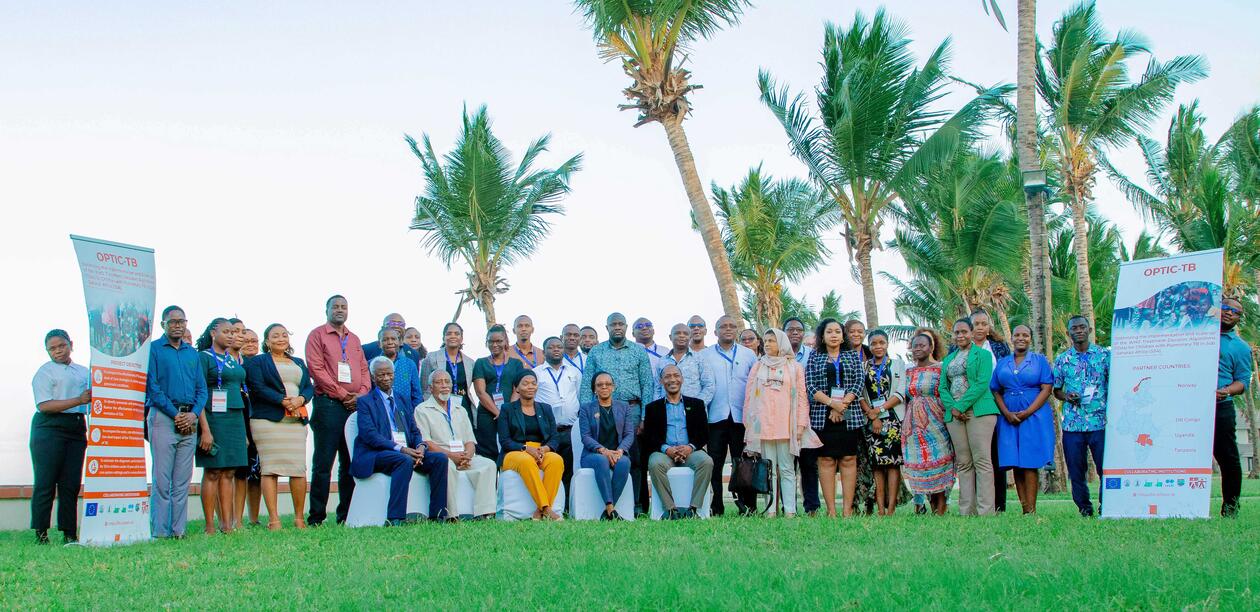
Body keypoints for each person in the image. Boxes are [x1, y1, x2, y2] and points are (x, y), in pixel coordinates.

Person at [352, 357, 449, 524]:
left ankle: (438, 515)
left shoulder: (402, 399)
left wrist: (420, 446)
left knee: (439, 459)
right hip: (377, 454)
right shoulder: (365, 402)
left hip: (408, 452)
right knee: (403, 460)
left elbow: (414, 430)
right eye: (381, 375)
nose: (386, 378)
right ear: (374, 377)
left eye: (389, 374)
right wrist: (401, 449)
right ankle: (396, 518)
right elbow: (370, 436)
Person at [579, 313, 655, 514]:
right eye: (614, 324)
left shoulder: (638, 351)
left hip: (632, 410)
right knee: (602, 451)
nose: (617, 327)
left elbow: (647, 383)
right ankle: (609, 504)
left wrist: (645, 416)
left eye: (621, 324)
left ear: (626, 326)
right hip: (600, 410)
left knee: (636, 459)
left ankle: (637, 504)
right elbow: (587, 384)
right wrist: (587, 411)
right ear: (607, 328)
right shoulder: (596, 352)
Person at [304, 295, 370, 526]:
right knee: (323, 463)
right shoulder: (317, 335)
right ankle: (317, 517)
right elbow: (316, 369)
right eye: (335, 307)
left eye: (344, 307)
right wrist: (343, 395)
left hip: (353, 408)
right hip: (329, 405)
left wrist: (360, 395)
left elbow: (364, 370)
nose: (340, 310)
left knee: (349, 462)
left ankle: (346, 515)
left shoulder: (354, 339)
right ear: (327, 310)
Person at [146, 305, 207, 539]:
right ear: (163, 324)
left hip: (189, 418)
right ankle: (160, 531)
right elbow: (153, 387)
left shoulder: (191, 353)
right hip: (163, 417)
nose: (178, 325)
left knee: (182, 480)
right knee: (162, 480)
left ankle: (178, 530)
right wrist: (175, 414)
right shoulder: (154, 350)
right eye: (173, 321)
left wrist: (193, 414)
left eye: (182, 321)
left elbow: (201, 389)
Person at [244, 324, 313, 530]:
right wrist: (282, 401)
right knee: (270, 469)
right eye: (275, 336)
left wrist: (300, 399)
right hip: (268, 421)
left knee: (298, 469)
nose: (281, 338)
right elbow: (257, 386)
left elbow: (308, 387)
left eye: (284, 335)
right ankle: (274, 520)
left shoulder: (298, 362)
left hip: (295, 421)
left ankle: (299, 518)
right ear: (267, 341)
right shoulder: (257, 362)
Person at [741, 328, 816, 517]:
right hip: (763, 426)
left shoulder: (794, 367)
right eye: (765, 341)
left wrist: (800, 425)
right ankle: (771, 510)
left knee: (787, 469)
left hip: (786, 425)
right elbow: (749, 396)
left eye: (771, 341)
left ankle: (790, 510)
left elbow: (801, 397)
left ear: (781, 343)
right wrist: (748, 424)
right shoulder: (758, 366)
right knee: (768, 470)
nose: (767, 344)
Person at [30, 329, 90, 544]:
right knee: (46, 481)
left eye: (61, 346)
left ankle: (69, 532)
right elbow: (44, 405)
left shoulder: (83, 372)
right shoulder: (45, 373)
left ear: (70, 344)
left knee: (71, 482)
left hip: (75, 427)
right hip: (49, 427)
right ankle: (41, 532)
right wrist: (78, 400)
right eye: (52, 348)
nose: (57, 351)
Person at [414, 370, 497, 519]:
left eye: (447, 382)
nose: (444, 386)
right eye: (439, 382)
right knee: (446, 465)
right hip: (443, 455)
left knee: (489, 465)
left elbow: (470, 440)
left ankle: (485, 513)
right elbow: (426, 442)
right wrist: (452, 456)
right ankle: (451, 515)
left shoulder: (460, 409)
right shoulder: (422, 410)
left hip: (464, 456)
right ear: (430, 387)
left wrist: (467, 455)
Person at [990, 324, 1054, 514]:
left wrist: (1028, 411)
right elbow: (995, 389)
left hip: (1033, 414)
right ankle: (1024, 506)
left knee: (1029, 461)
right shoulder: (1003, 362)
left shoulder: (1039, 361)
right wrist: (1006, 413)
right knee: (1015, 461)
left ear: (1030, 338)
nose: (1021, 338)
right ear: (1012, 338)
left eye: (1025, 335)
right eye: (1017, 335)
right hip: (1009, 416)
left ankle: (1031, 510)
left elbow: (1047, 388)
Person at [803, 318, 864, 517]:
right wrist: (832, 404)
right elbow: (811, 386)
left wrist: (841, 406)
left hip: (849, 414)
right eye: (829, 332)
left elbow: (858, 382)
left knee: (848, 459)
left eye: (837, 331)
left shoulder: (852, 355)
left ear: (842, 335)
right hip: (823, 414)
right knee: (826, 460)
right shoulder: (815, 356)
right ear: (822, 336)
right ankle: (831, 510)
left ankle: (847, 510)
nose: (834, 335)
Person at [1052, 315, 1111, 517]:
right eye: (1074, 328)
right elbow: (1056, 390)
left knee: (1105, 468)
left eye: (1082, 327)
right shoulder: (1063, 360)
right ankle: (1085, 508)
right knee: (1076, 471)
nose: (1079, 331)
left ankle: (1107, 504)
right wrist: (1068, 396)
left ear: (1089, 330)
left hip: (1099, 422)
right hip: (1073, 425)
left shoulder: (1104, 356)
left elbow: (1113, 384)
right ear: (1069, 333)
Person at [939, 317, 999, 516]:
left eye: (964, 331)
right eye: (957, 332)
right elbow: (942, 387)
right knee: (964, 463)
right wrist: (954, 408)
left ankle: (986, 510)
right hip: (955, 415)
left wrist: (962, 405)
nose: (960, 335)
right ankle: (966, 510)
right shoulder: (948, 359)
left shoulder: (982, 355)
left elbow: (982, 384)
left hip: (979, 411)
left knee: (982, 460)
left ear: (972, 333)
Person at [194, 318, 248, 534]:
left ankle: (227, 524)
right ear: (213, 333)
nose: (231, 335)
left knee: (229, 472)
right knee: (213, 471)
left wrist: (243, 431)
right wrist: (205, 430)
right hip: (214, 418)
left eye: (233, 332)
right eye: (226, 331)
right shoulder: (204, 357)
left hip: (235, 418)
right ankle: (210, 525)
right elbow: (199, 392)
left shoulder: (234, 360)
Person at [700, 315, 757, 515]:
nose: (728, 329)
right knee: (714, 464)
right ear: (715, 332)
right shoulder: (705, 355)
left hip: (741, 418)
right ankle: (717, 506)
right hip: (715, 417)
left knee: (742, 462)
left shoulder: (748, 355)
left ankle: (747, 505)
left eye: (732, 326)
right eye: (723, 326)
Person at [643, 365, 714, 519]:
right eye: (667, 376)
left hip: (690, 452)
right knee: (654, 464)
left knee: (707, 462)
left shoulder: (696, 404)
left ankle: (693, 509)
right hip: (665, 453)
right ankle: (670, 509)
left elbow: (704, 433)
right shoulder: (652, 408)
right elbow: (649, 436)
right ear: (661, 381)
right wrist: (667, 449)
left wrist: (690, 447)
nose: (672, 379)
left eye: (676, 375)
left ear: (682, 379)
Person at [497, 371, 565, 520]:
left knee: (556, 460)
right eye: (525, 383)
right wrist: (526, 449)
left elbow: (554, 437)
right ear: (517, 388)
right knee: (526, 461)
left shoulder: (545, 408)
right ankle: (546, 508)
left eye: (533, 383)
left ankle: (538, 512)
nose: (530, 387)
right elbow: (505, 441)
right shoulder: (507, 409)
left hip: (541, 450)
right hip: (515, 452)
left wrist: (545, 449)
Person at [901, 331, 955, 515]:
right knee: (920, 464)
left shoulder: (941, 368)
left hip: (936, 421)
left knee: (938, 462)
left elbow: (947, 393)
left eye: (922, 345)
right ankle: (924, 504)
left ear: (931, 347)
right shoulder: (907, 370)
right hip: (913, 425)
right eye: (915, 346)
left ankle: (941, 507)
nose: (917, 349)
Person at [967, 309, 1011, 512]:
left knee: (995, 456)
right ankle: (977, 503)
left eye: (985, 323)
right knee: (975, 456)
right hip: (968, 408)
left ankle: (999, 503)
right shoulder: (960, 349)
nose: (981, 327)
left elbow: (1008, 373)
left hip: (995, 405)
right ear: (970, 327)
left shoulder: (999, 347)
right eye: (977, 324)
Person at [578, 372, 635, 520]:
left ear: (613, 387)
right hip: (593, 455)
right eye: (599, 385)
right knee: (602, 460)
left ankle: (609, 510)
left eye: (608, 384)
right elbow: (585, 436)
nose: (604, 387)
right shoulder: (586, 409)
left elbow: (629, 434)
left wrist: (620, 451)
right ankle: (610, 507)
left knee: (624, 463)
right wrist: (603, 451)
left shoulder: (624, 407)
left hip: (618, 453)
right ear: (594, 389)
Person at [862, 329, 907, 516]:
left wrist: (879, 411)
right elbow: (859, 394)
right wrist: (871, 415)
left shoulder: (897, 364)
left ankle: (891, 509)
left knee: (892, 464)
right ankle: (880, 508)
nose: (878, 346)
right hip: (871, 421)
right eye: (874, 343)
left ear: (887, 344)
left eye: (881, 343)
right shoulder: (863, 366)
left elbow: (900, 393)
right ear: (869, 346)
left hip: (892, 419)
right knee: (877, 465)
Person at [533, 336, 582, 499]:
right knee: (547, 466)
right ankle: (549, 502)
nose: (556, 349)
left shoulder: (574, 372)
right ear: (544, 350)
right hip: (546, 431)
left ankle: (567, 503)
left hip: (569, 428)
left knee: (569, 467)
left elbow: (580, 396)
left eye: (559, 347)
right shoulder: (537, 373)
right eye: (551, 347)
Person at [1216, 298, 1251, 517]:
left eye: (1235, 312)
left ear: (1238, 319)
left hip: (1220, 408)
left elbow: (1242, 382)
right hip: (1187, 406)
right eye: (1226, 308)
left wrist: (1227, 390)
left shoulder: (1240, 347)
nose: (1229, 313)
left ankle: (1230, 508)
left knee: (1228, 458)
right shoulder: (1195, 334)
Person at [228, 319, 262, 529]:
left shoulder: (257, 363)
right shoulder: (221, 360)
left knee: (255, 471)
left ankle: (253, 518)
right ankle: (232, 518)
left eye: (252, 339)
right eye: (239, 333)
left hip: (255, 418)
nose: (246, 341)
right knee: (232, 471)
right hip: (233, 419)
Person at [472, 325, 524, 459]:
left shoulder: (516, 364)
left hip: (511, 415)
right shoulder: (481, 363)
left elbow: (517, 390)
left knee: (510, 452)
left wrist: (507, 412)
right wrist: (498, 413)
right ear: (486, 342)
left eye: (499, 341)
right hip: (487, 414)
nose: (495, 345)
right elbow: (480, 392)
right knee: (487, 454)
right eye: (491, 341)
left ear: (506, 341)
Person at [419, 322, 477, 424]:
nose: (453, 336)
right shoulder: (431, 358)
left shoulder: (470, 362)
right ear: (443, 337)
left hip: (463, 406)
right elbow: (424, 388)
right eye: (449, 333)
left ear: (461, 338)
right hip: (439, 406)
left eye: (456, 333)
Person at [654, 323, 716, 403]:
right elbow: (657, 388)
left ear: (690, 337)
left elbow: (709, 385)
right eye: (677, 333)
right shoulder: (662, 361)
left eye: (685, 334)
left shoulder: (700, 359)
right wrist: (659, 408)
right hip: (667, 411)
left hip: (694, 411)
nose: (682, 336)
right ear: (670, 337)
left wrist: (697, 405)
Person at [378, 328, 422, 411]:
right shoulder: (372, 364)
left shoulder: (409, 364)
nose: (390, 342)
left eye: (393, 339)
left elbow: (417, 394)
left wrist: (413, 415)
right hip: (380, 413)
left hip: (406, 414)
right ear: (379, 344)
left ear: (400, 342)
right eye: (385, 339)